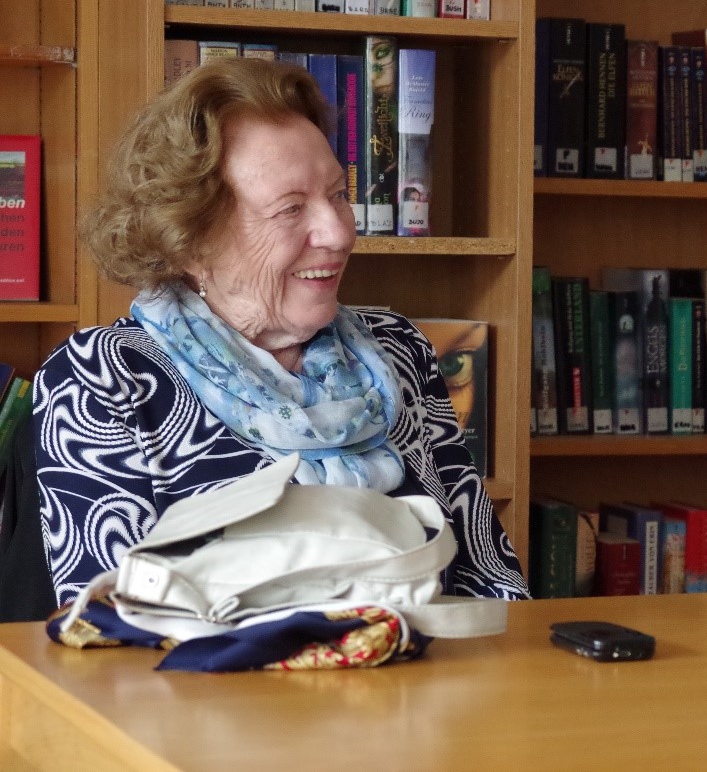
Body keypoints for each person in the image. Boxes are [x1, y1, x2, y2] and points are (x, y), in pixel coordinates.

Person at [33, 58, 529, 606]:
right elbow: (109, 629)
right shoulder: (107, 379)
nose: (339, 232)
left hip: (431, 680)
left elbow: (492, 581)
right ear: (189, 236)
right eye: (290, 209)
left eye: (339, 195)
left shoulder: (397, 348)